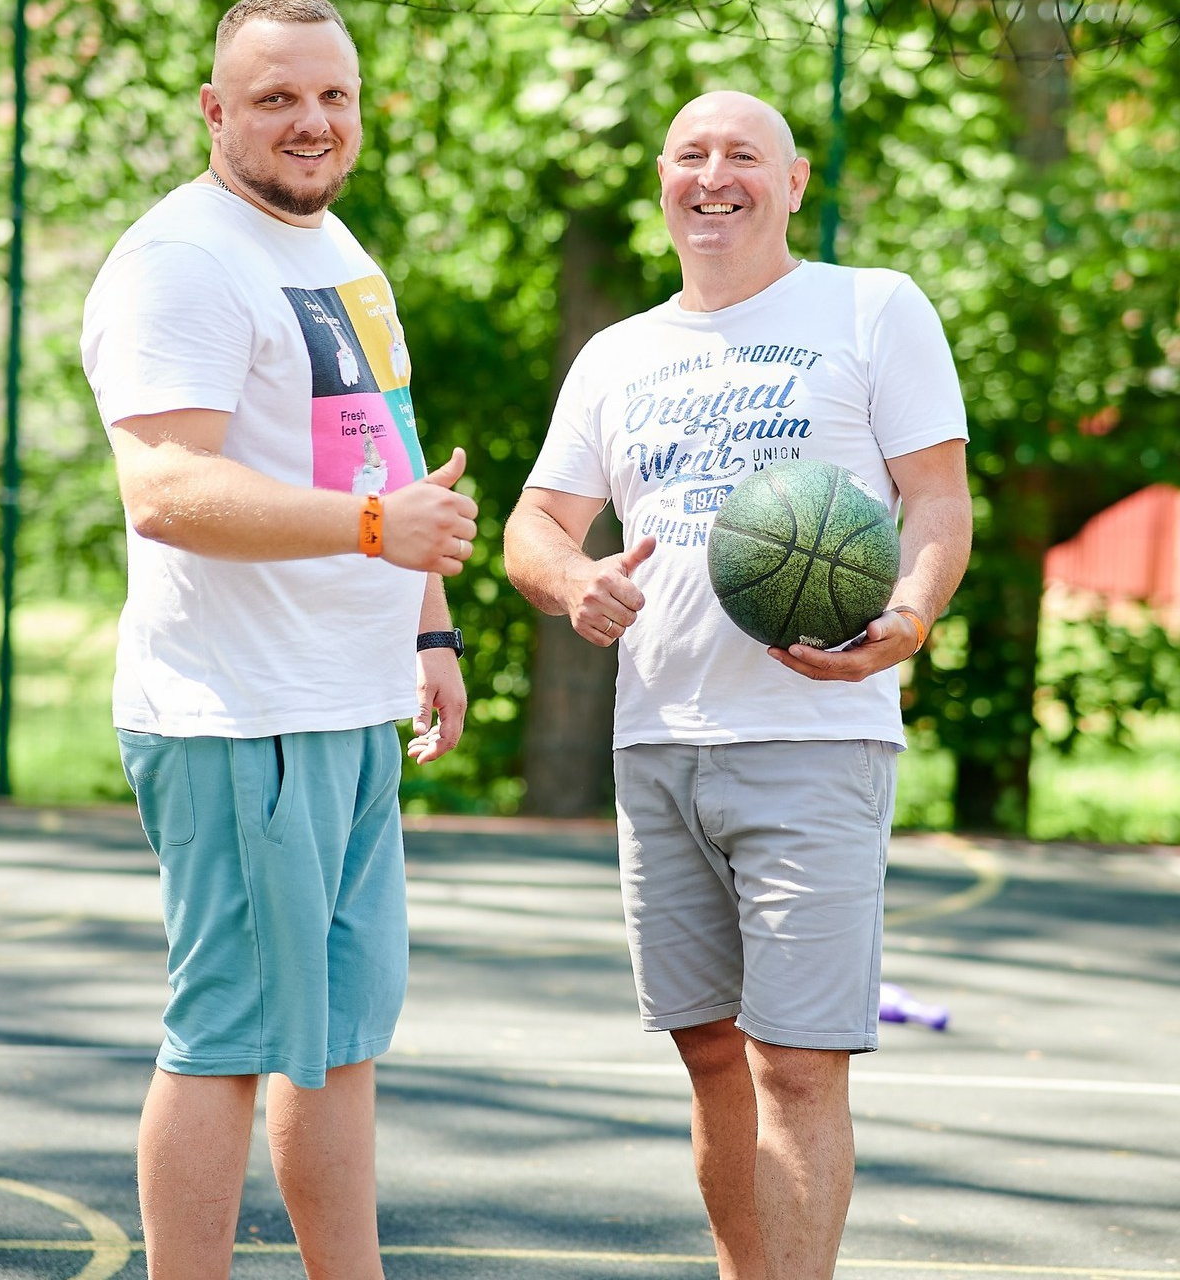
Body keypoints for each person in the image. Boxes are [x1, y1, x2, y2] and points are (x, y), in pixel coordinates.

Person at [503, 91, 972, 1279]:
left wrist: (907, 617)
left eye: (743, 155)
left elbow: (936, 497)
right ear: (662, 180)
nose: (713, 176)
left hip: (812, 730)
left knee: (797, 1061)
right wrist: (571, 580)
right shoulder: (618, 352)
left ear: (794, 180)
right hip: (658, 737)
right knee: (709, 1052)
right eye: (690, 155)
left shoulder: (870, 307)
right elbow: (534, 522)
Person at [80, 3, 478, 1276]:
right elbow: (165, 489)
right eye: (274, 98)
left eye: (332, 97)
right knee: (230, 1041)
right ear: (215, 111)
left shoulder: (336, 248)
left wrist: (430, 631)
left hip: (347, 701)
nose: (312, 122)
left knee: (340, 1043)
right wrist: (372, 528)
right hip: (237, 709)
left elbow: (385, 451)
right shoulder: (181, 261)